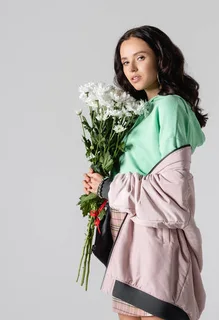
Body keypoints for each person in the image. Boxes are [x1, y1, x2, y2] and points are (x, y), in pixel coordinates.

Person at [82, 25, 209, 320]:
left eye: (140, 57)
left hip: (154, 243)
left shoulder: (170, 107)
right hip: (129, 239)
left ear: (160, 59)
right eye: (125, 62)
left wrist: (109, 187)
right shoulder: (145, 110)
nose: (131, 68)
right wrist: (99, 182)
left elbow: (175, 199)